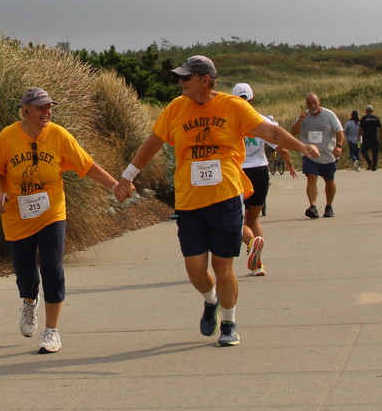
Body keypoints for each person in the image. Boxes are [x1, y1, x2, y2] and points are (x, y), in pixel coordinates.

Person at [112, 55, 319, 347]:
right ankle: (211, 301)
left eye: (186, 77)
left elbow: (271, 131)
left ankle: (230, 322)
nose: (180, 82)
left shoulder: (234, 107)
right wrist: (127, 176)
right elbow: (153, 142)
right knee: (195, 269)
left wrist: (301, 147)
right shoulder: (176, 108)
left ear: (205, 80)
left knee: (224, 265)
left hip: (226, 198)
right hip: (189, 201)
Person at [0, 87, 119, 354]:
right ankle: (29, 302)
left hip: (51, 212)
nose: (47, 111)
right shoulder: (8, 136)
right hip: (17, 215)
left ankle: (51, 331)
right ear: (26, 110)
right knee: (25, 274)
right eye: (40, 107)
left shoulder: (58, 135)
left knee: (52, 269)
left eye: (49, 107)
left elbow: (86, 165)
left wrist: (114, 185)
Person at [230, 82, 297, 277]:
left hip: (238, 173)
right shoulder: (263, 121)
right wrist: (290, 164)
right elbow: (281, 148)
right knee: (254, 218)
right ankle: (257, 264)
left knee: (237, 220)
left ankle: (251, 243)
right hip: (260, 171)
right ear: (252, 99)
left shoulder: (228, 121)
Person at [290, 93, 344, 217]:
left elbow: (339, 132)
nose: (312, 106)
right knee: (311, 177)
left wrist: (339, 146)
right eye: (309, 103)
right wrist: (300, 120)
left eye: (314, 103)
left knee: (329, 180)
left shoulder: (329, 115)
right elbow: (294, 131)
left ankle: (329, 206)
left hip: (328, 155)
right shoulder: (303, 116)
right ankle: (313, 206)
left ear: (319, 102)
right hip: (310, 155)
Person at [360, 105, 382, 171]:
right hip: (375, 137)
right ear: (372, 111)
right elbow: (380, 128)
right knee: (375, 152)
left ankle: (370, 162)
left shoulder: (364, 118)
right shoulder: (376, 118)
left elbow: (361, 128)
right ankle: (374, 167)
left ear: (366, 111)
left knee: (364, 150)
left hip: (366, 137)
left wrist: (359, 136)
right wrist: (380, 136)